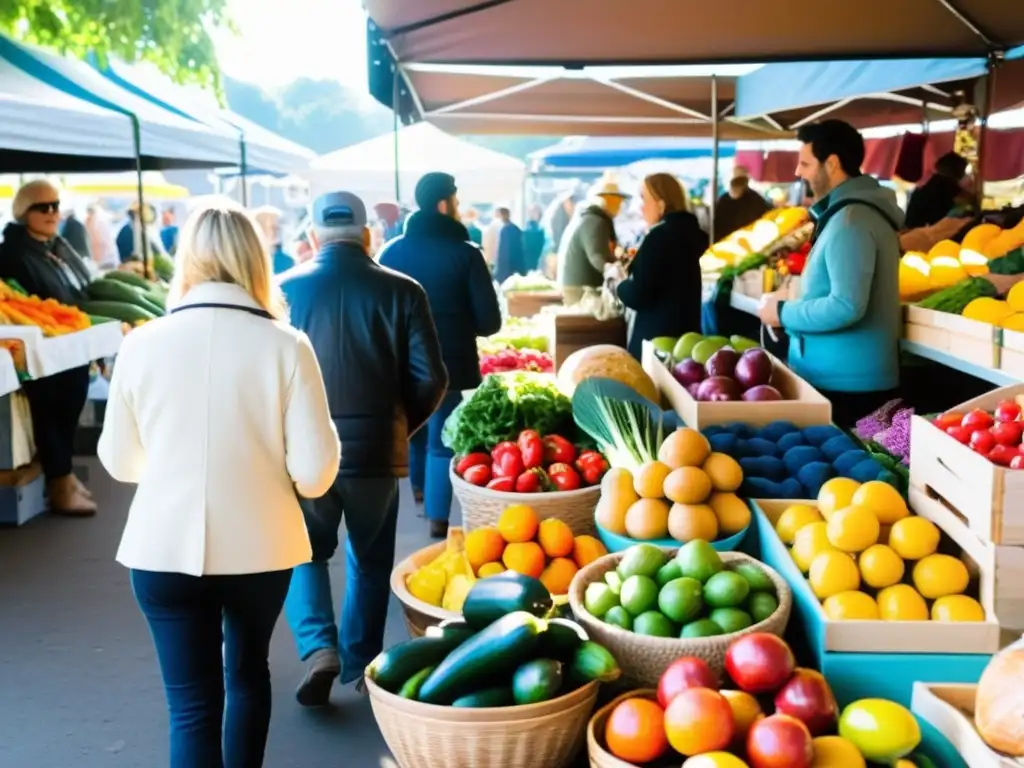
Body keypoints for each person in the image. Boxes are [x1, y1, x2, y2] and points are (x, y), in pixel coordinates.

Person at [96, 198, 340, 768]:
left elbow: (119, 462)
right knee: (248, 675)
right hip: (260, 546)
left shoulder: (140, 343)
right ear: (255, 258)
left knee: (191, 708)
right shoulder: (288, 345)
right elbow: (314, 473)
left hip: (162, 548)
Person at [282, 191, 448, 706]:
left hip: (306, 453)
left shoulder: (284, 291)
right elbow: (432, 378)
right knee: (371, 560)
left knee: (303, 552)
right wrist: (399, 427)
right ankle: (361, 662)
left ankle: (317, 650)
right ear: (368, 235)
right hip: (377, 450)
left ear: (312, 237)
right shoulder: (404, 291)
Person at [758, 120, 904, 429]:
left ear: (833, 163)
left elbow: (847, 305)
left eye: (806, 163)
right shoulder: (846, 216)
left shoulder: (852, 221)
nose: (798, 172)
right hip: (839, 381)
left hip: (848, 390)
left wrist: (783, 312)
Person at [379, 172, 502, 536]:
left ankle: (417, 492)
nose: (459, 208)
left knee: (412, 430)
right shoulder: (465, 254)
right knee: (441, 439)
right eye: (457, 201)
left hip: (399, 361)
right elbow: (489, 322)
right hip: (451, 363)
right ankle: (437, 516)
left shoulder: (391, 251)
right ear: (444, 203)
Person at [0, 181, 95, 515]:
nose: (52, 212)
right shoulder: (12, 253)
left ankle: (64, 475)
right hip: (37, 347)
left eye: (55, 205)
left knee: (70, 401)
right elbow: (26, 304)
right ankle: (60, 481)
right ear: (23, 213)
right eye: (43, 207)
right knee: (51, 406)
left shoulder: (56, 246)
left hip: (67, 342)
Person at [613, 174, 708, 361]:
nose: (641, 207)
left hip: (655, 341)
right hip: (685, 338)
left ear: (661, 204)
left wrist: (619, 284)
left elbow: (638, 294)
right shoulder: (689, 233)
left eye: (644, 199)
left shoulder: (659, 238)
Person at [557, 176, 627, 305]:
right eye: (616, 201)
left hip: (578, 287)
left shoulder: (591, 219)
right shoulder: (595, 222)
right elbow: (597, 257)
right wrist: (619, 275)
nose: (619, 206)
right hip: (581, 291)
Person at [904, 152, 970, 230]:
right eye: (963, 170)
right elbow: (967, 199)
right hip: (924, 230)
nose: (964, 174)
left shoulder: (931, 183)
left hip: (912, 229)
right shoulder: (945, 184)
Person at [714, 167, 771, 239]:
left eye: (741, 181)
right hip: (727, 241)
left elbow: (765, 217)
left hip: (749, 239)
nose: (738, 184)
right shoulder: (723, 200)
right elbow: (717, 225)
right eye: (736, 181)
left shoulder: (755, 199)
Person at [251, 206, 295, 275]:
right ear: (258, 229)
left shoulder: (287, 261)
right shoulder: (248, 259)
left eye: (277, 227)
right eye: (272, 227)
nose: (276, 230)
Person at [494, 206, 526, 284]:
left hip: (506, 267)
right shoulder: (516, 228)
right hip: (517, 265)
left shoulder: (504, 230)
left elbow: (503, 252)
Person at [523, 204, 546, 273]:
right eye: (531, 212)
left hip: (538, 262)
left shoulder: (542, 229)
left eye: (534, 212)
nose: (532, 214)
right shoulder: (526, 230)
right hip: (530, 262)